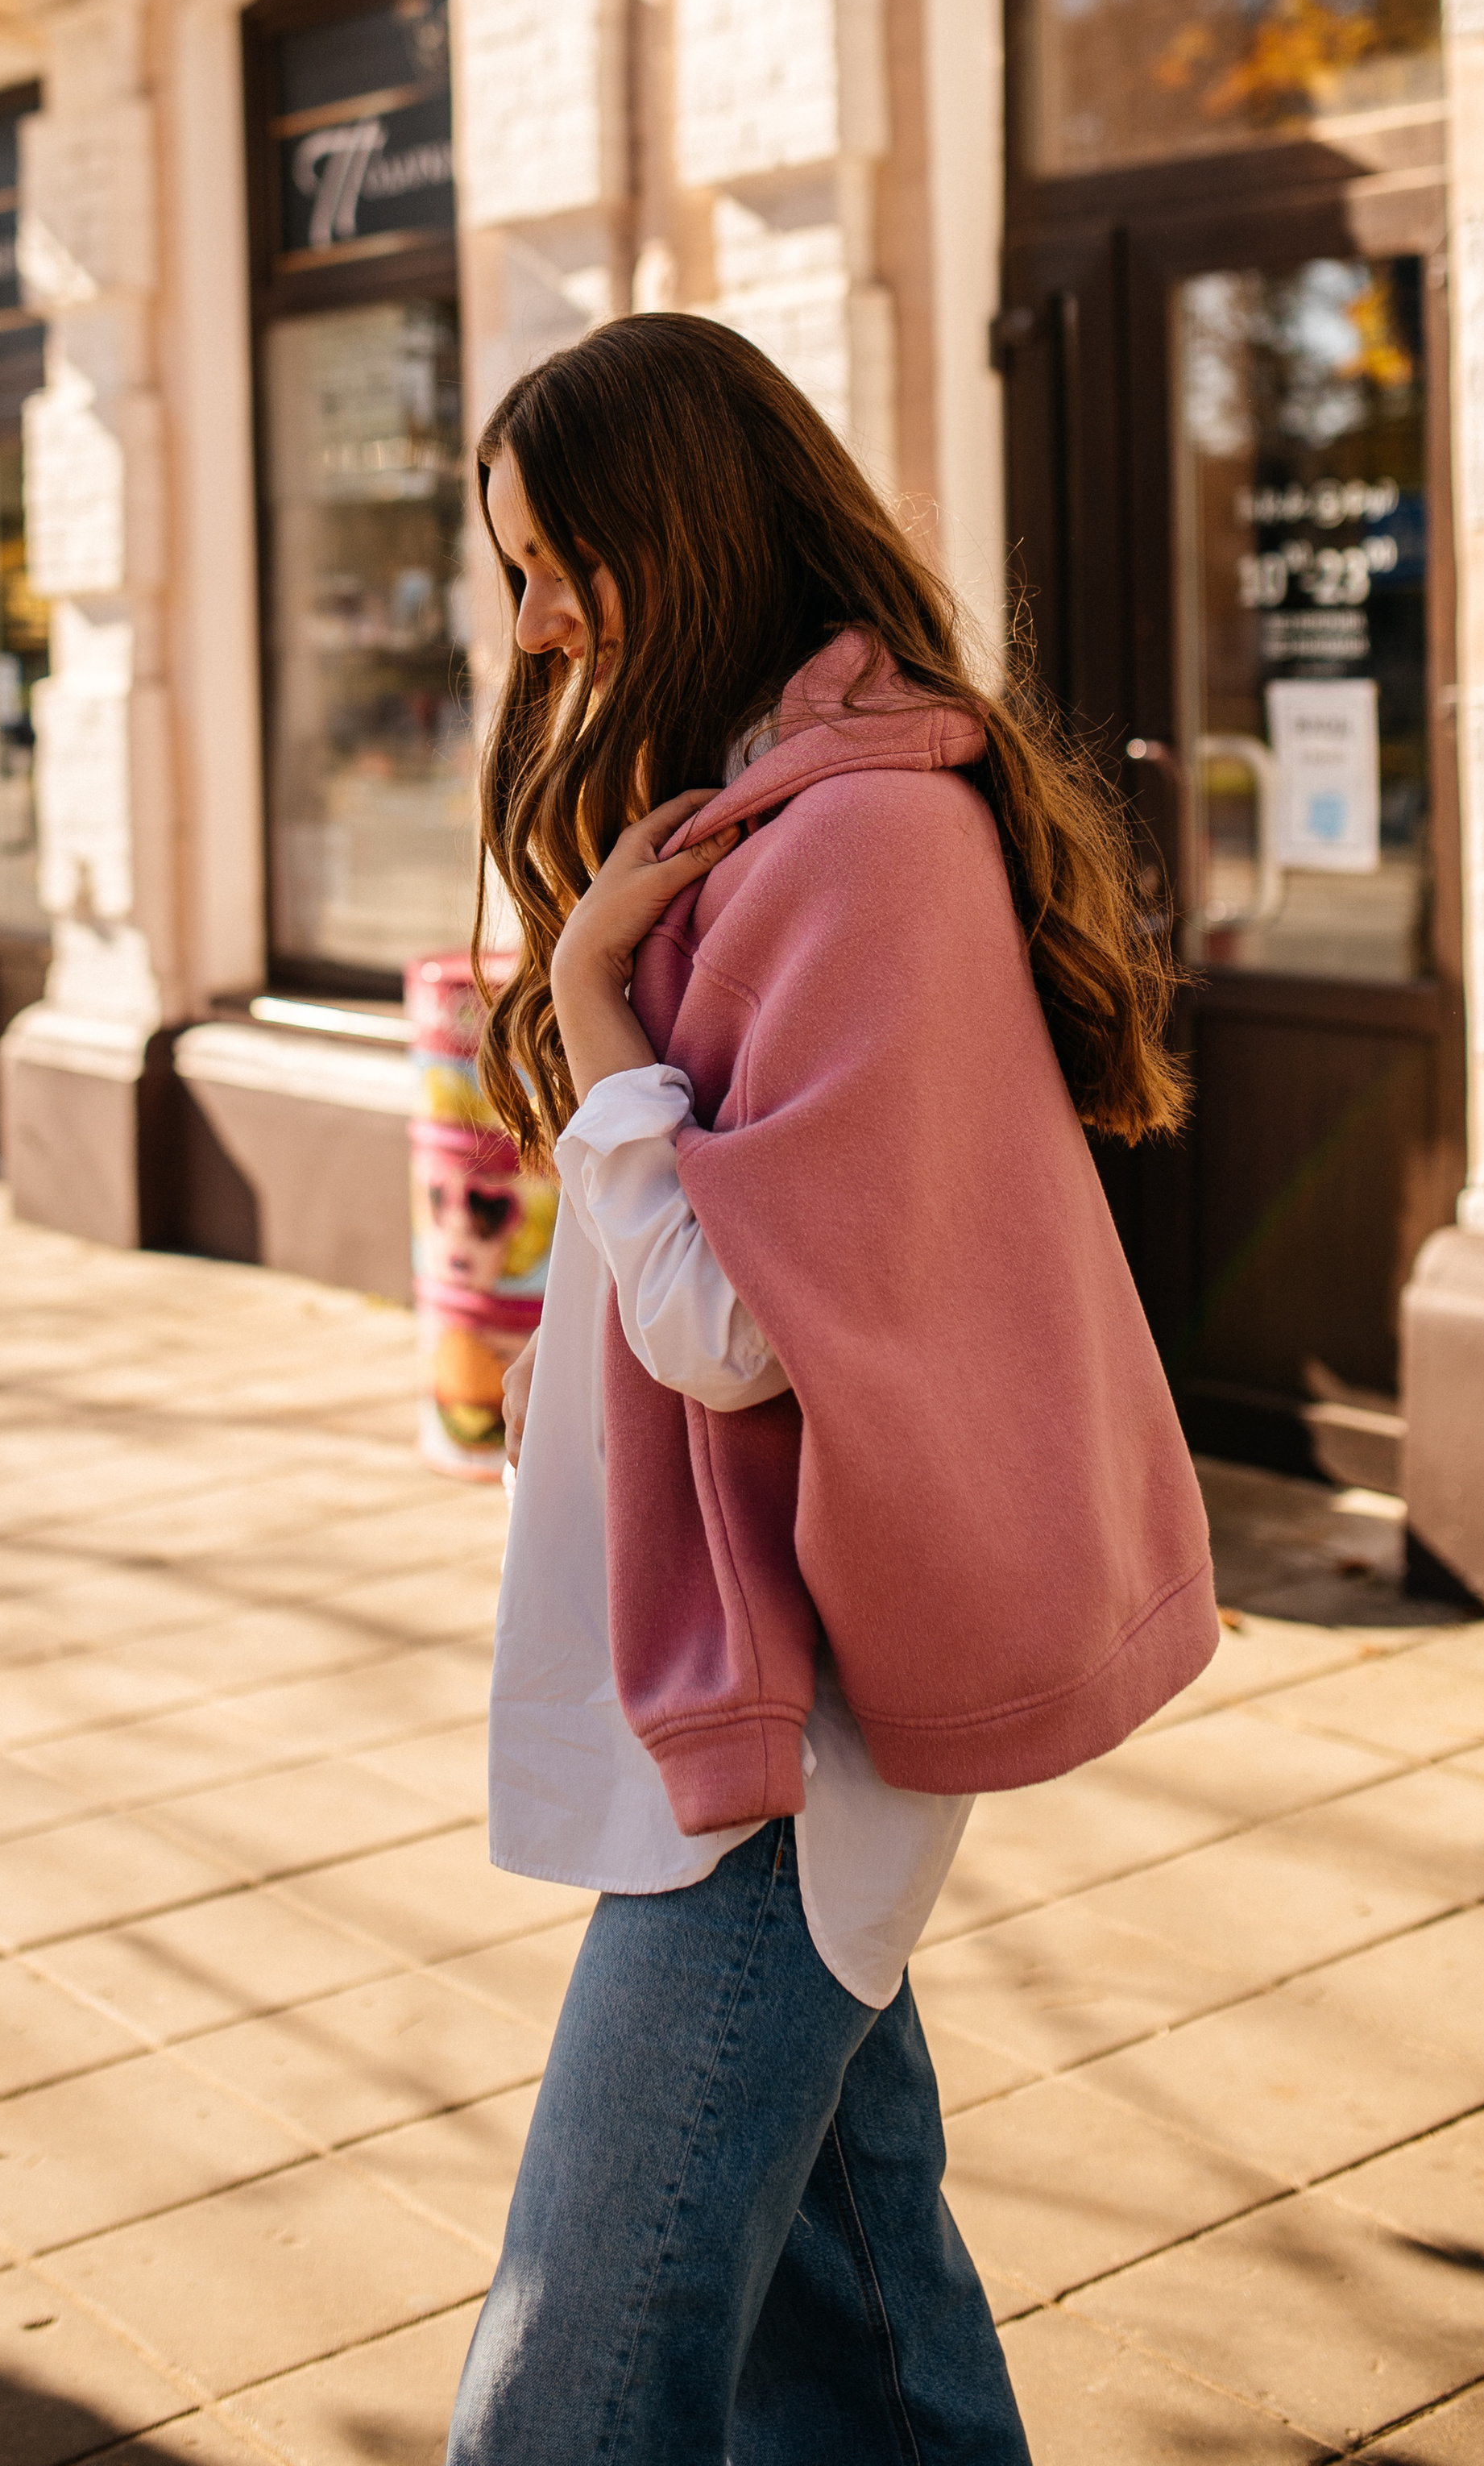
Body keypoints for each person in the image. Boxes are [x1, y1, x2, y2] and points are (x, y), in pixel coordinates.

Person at [448, 313, 1218, 2464]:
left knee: (568, 2390)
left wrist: (598, 1005)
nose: (534, 627)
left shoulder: (863, 849)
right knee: (861, 2339)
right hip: (748, 1682)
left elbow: (740, 1328)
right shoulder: (767, 814)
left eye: (556, 565)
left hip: (798, 1731)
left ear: (670, 533)